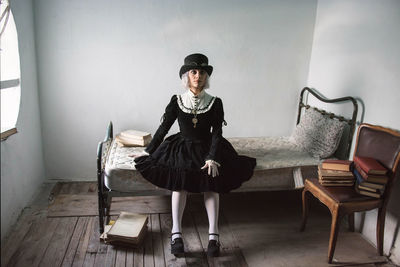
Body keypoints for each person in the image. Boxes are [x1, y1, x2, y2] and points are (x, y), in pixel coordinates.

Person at [134, 53, 256, 257]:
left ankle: (213, 238)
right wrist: (148, 150)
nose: (198, 75)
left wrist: (213, 157)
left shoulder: (215, 102)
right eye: (193, 72)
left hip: (207, 147)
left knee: (212, 182)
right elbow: (163, 128)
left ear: (206, 76)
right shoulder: (177, 100)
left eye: (201, 72)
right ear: (186, 76)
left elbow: (217, 132)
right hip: (182, 147)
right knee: (179, 184)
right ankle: (176, 234)